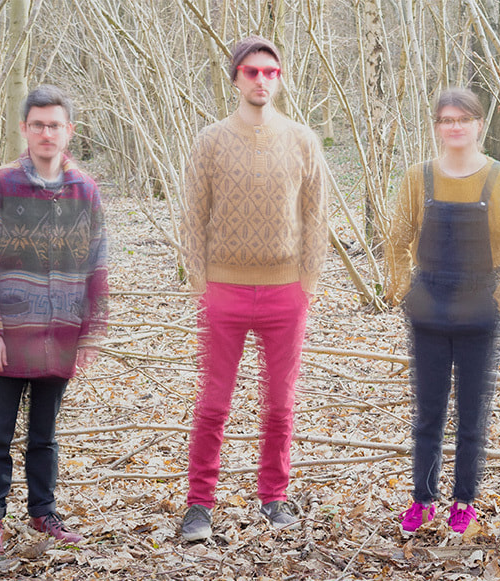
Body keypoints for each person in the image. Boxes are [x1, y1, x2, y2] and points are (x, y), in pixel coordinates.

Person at [178, 35, 329, 543]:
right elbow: (193, 216)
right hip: (224, 290)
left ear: (280, 78)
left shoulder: (303, 140)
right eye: (251, 71)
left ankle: (274, 497)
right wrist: (200, 282)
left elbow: (316, 216)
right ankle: (199, 506)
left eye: (270, 71)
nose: (261, 80)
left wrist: (308, 283)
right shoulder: (210, 141)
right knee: (214, 404)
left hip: (286, 293)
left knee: (280, 404)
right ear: (235, 78)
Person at [0, 85, 109, 561]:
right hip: (8, 335)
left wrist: (90, 334)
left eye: (55, 125)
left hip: (61, 334)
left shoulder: (85, 191)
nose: (47, 133)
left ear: (69, 131)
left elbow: (98, 267)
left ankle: (43, 511)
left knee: (45, 436)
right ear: (24, 129)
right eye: (38, 124)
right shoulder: (0, 185)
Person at [385, 88, 500, 534]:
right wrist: (404, 292)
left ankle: (464, 501)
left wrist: (499, 300)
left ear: (479, 124)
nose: (455, 127)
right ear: (437, 127)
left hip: (480, 306)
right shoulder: (419, 177)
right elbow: (397, 238)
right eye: (447, 120)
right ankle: (422, 499)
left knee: (472, 414)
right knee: (428, 412)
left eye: (463, 119)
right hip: (428, 305)